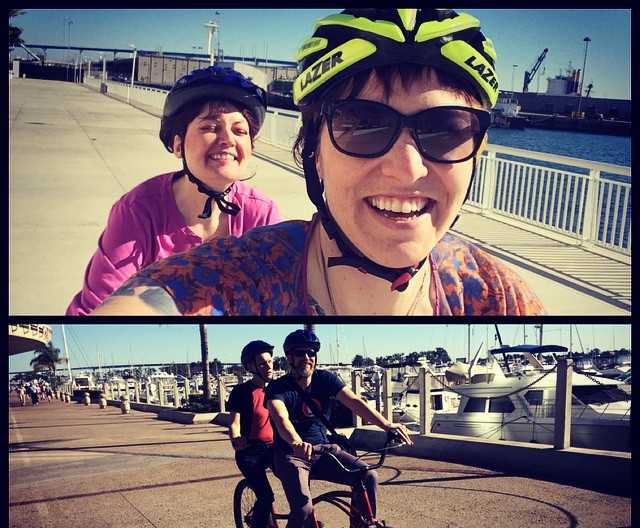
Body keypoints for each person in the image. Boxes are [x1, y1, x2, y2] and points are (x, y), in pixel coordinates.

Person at [92, 8, 544, 316]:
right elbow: (148, 300)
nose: (407, 169)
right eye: (362, 124)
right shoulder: (228, 277)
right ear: (314, 153)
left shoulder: (493, 296)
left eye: (446, 129)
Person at [67, 66, 282, 315]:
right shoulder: (138, 211)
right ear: (178, 145)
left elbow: (279, 302)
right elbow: (97, 308)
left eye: (240, 131)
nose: (228, 139)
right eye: (210, 127)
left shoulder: (262, 214)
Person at [264, 329, 413, 528]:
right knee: (304, 508)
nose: (307, 358)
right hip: (291, 454)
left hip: (325, 449)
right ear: (289, 357)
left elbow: (355, 402)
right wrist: (296, 441)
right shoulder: (279, 387)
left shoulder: (325, 379)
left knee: (368, 477)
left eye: (312, 353)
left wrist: (387, 425)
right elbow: (280, 416)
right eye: (301, 353)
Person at [227, 340, 278, 528]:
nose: (268, 367)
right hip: (251, 452)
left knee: (299, 479)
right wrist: (236, 437)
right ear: (251, 367)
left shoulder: (278, 388)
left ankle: (300, 520)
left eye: (270, 362)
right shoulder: (241, 392)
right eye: (262, 364)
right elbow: (234, 422)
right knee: (266, 496)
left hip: (275, 448)